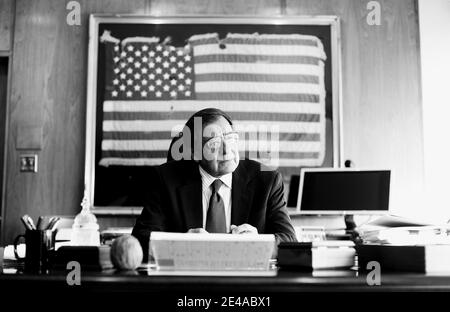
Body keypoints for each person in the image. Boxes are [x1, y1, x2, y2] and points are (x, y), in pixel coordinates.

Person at [132, 108, 297, 259]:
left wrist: (259, 243)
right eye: (214, 143)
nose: (227, 150)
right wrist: (180, 244)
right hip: (188, 280)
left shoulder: (267, 180)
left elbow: (290, 241)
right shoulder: (166, 179)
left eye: (231, 138)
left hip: (247, 279)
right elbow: (141, 239)